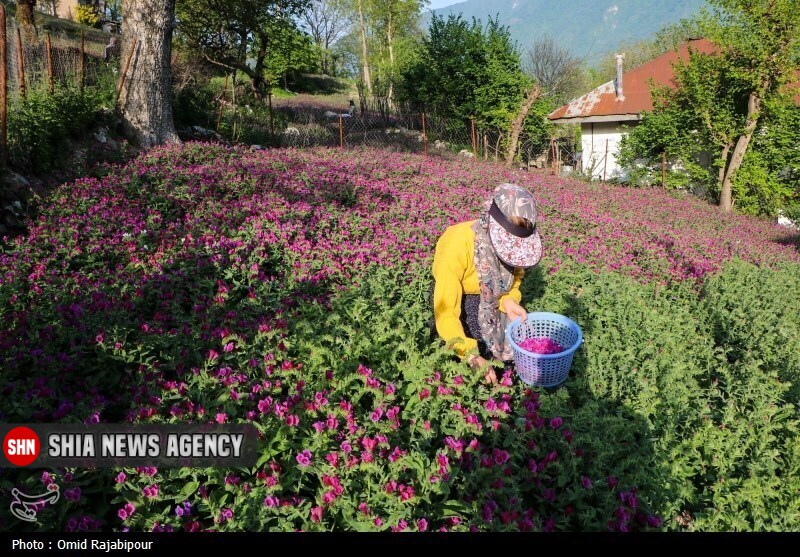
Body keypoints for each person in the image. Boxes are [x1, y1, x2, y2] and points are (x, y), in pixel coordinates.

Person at [431, 183, 543, 384]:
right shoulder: (457, 244)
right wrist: (470, 355)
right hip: (459, 297)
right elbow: (446, 310)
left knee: (512, 353)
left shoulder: (513, 250)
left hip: (492, 296)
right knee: (475, 357)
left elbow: (516, 275)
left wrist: (509, 299)